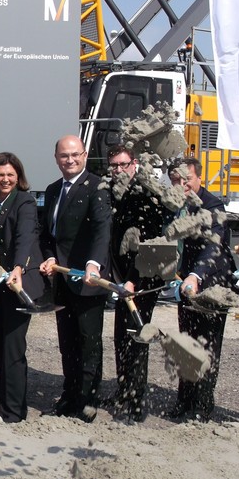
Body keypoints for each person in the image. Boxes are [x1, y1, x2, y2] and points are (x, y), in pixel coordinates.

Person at [39, 135, 111, 422]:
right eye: (64, 156)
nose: (70, 160)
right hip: (62, 279)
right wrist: (49, 256)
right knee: (67, 342)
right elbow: (49, 234)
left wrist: (94, 265)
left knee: (88, 342)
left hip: (87, 280)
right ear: (56, 158)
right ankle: (69, 396)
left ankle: (87, 401)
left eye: (75, 155)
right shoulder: (53, 189)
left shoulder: (97, 187)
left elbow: (102, 230)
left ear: (84, 155)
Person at [0, 152, 46, 423]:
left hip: (20, 282)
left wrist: (17, 267)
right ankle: (3, 399)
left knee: (13, 346)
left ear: (18, 176)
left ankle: (16, 410)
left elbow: (25, 237)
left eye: (10, 174)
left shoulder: (25, 202)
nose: (5, 179)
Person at [105, 144, 171, 422]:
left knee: (137, 336)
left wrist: (132, 280)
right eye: (114, 166)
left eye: (123, 165)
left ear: (135, 164)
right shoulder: (113, 193)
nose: (119, 170)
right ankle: (124, 389)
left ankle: (135, 401)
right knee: (121, 336)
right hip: (120, 278)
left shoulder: (146, 194)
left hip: (142, 280)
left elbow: (153, 245)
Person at [168, 157, 234, 421]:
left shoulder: (212, 205)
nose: (181, 185)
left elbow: (213, 247)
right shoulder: (173, 204)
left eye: (187, 180)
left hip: (210, 286)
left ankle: (202, 406)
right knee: (186, 343)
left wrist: (195, 275)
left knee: (206, 346)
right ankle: (185, 401)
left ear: (198, 179)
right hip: (184, 285)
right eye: (175, 180)